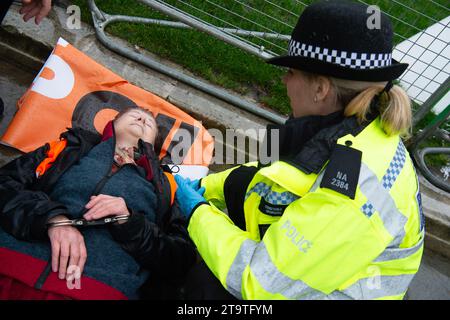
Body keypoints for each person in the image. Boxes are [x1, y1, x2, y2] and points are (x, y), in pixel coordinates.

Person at [175, 0, 425, 300]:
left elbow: (258, 282)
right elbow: (269, 174)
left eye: (291, 71)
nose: (284, 80)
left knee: (205, 288)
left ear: (321, 89)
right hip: (323, 266)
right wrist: (205, 186)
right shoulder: (347, 125)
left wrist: (196, 213)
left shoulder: (348, 193)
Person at [0, 106, 196, 299]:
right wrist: (50, 217)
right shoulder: (66, 148)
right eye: (134, 115)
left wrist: (130, 223)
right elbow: (5, 184)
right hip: (11, 262)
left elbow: (181, 260)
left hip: (99, 288)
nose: (142, 119)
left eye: (149, 123)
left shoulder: (168, 187)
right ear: (113, 123)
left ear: (153, 144)